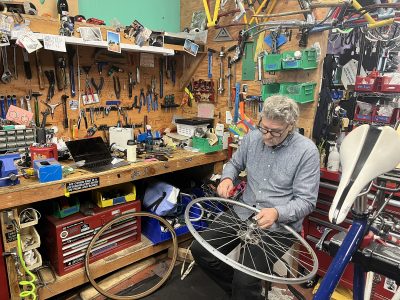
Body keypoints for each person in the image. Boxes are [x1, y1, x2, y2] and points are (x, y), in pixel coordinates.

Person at [191, 95, 320, 300]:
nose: (267, 136)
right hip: (244, 210)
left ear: (290, 126)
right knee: (201, 250)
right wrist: (227, 179)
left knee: (246, 279)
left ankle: (244, 292)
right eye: (264, 128)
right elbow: (234, 164)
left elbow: (307, 201)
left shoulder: (306, 152)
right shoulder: (252, 137)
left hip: (278, 225)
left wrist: (277, 213)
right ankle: (245, 294)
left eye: (275, 132)